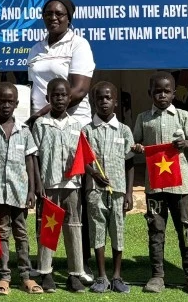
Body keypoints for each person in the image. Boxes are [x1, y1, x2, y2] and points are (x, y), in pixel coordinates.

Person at [26, 0, 95, 283]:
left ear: (69, 17)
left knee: (76, 196)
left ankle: (81, 264)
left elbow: (77, 90)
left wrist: (41, 113)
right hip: (43, 131)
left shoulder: (78, 45)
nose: (53, 17)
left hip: (73, 128)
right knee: (47, 197)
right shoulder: (36, 48)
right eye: (48, 13)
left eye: (59, 13)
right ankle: (46, 266)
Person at [131, 71, 188, 295]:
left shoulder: (183, 116)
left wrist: (187, 144)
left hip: (179, 185)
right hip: (154, 186)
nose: (162, 95)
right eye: (157, 91)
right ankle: (157, 276)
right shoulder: (144, 119)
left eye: (166, 91)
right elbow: (136, 141)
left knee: (186, 229)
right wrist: (137, 147)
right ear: (150, 93)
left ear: (174, 93)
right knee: (156, 229)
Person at [0, 82, 41, 296]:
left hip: (20, 193)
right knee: (2, 234)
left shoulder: (24, 131)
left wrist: (32, 190)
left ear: (17, 103)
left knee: (21, 234)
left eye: (10, 101)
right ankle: (4, 276)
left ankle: (25, 276)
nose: (6, 105)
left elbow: (31, 161)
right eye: (2, 101)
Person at [32, 78, 86, 293]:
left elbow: (82, 155)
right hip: (49, 185)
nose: (60, 98)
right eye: (55, 95)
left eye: (63, 95)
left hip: (72, 185)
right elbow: (34, 156)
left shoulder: (76, 124)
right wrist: (37, 183)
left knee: (74, 228)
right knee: (49, 228)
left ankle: (75, 274)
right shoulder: (40, 124)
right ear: (48, 98)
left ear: (69, 97)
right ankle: (46, 272)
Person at [81, 81, 133, 294]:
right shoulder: (87, 130)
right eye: (99, 98)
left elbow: (129, 163)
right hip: (95, 190)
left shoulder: (124, 130)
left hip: (119, 191)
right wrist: (93, 174)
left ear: (115, 101)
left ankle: (117, 276)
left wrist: (129, 192)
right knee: (97, 231)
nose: (104, 102)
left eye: (108, 98)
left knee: (118, 231)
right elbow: (81, 160)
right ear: (93, 101)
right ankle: (101, 276)